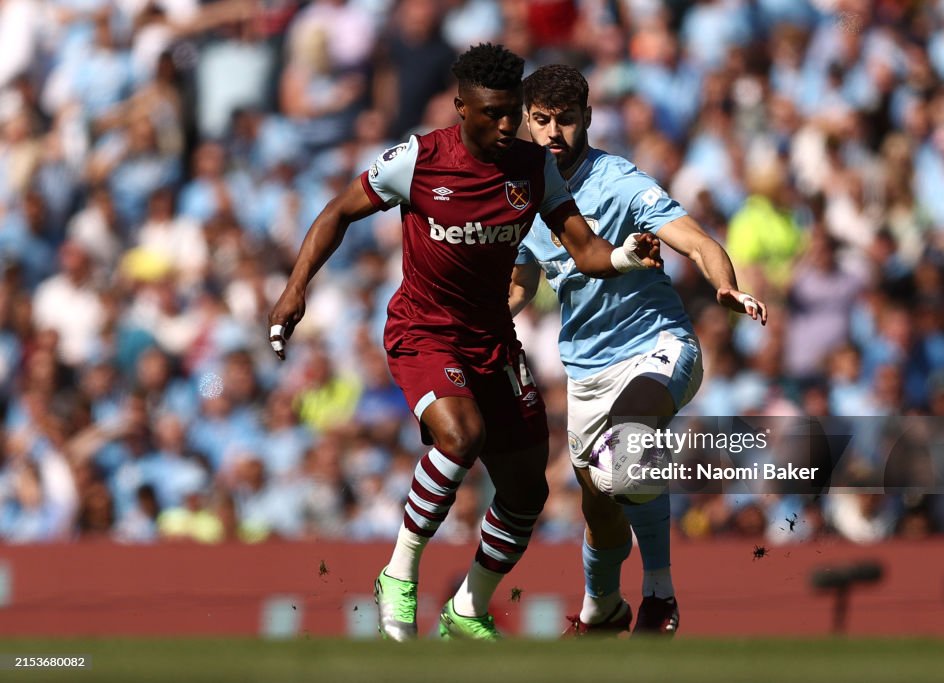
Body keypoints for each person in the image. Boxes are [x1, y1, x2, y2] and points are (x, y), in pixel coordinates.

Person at [267, 44, 660, 641]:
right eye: (492, 114)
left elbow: (583, 249)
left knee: (527, 490)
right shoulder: (418, 160)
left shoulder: (534, 168)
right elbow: (337, 211)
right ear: (460, 109)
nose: (507, 126)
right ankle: (399, 573)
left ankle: (467, 608)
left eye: (512, 113)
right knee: (462, 435)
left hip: (493, 342)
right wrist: (295, 289)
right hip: (424, 332)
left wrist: (626, 254)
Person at [510, 64, 767, 636]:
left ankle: (660, 593)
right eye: (543, 121)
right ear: (526, 121)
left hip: (658, 344)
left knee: (627, 447)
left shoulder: (619, 182)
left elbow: (698, 241)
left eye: (567, 121)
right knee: (600, 504)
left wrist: (723, 283)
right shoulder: (522, 196)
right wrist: (489, 317)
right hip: (586, 368)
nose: (555, 133)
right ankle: (602, 607)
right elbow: (523, 281)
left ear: (588, 121)